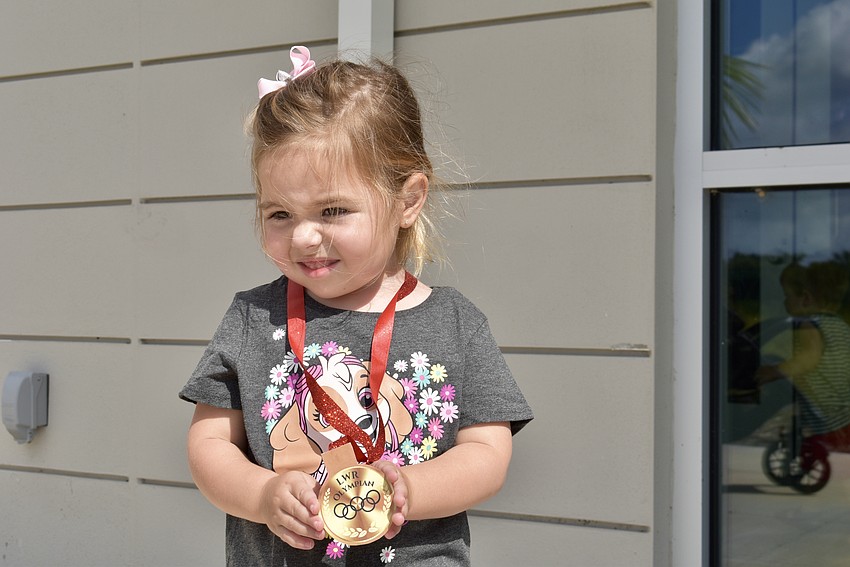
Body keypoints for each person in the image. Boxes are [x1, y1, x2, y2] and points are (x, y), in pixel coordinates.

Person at [180, 46, 533, 566]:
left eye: (332, 210)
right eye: (279, 213)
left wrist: (409, 488)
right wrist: (260, 495)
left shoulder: (456, 324)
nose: (302, 236)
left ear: (408, 199)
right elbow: (208, 446)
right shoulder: (253, 319)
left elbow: (487, 455)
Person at [757, 260, 850, 448]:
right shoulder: (840, 326)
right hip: (844, 407)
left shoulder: (809, 325)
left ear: (805, 298)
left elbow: (808, 358)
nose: (784, 302)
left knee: (781, 394)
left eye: (787, 295)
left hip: (829, 411)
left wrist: (774, 371)